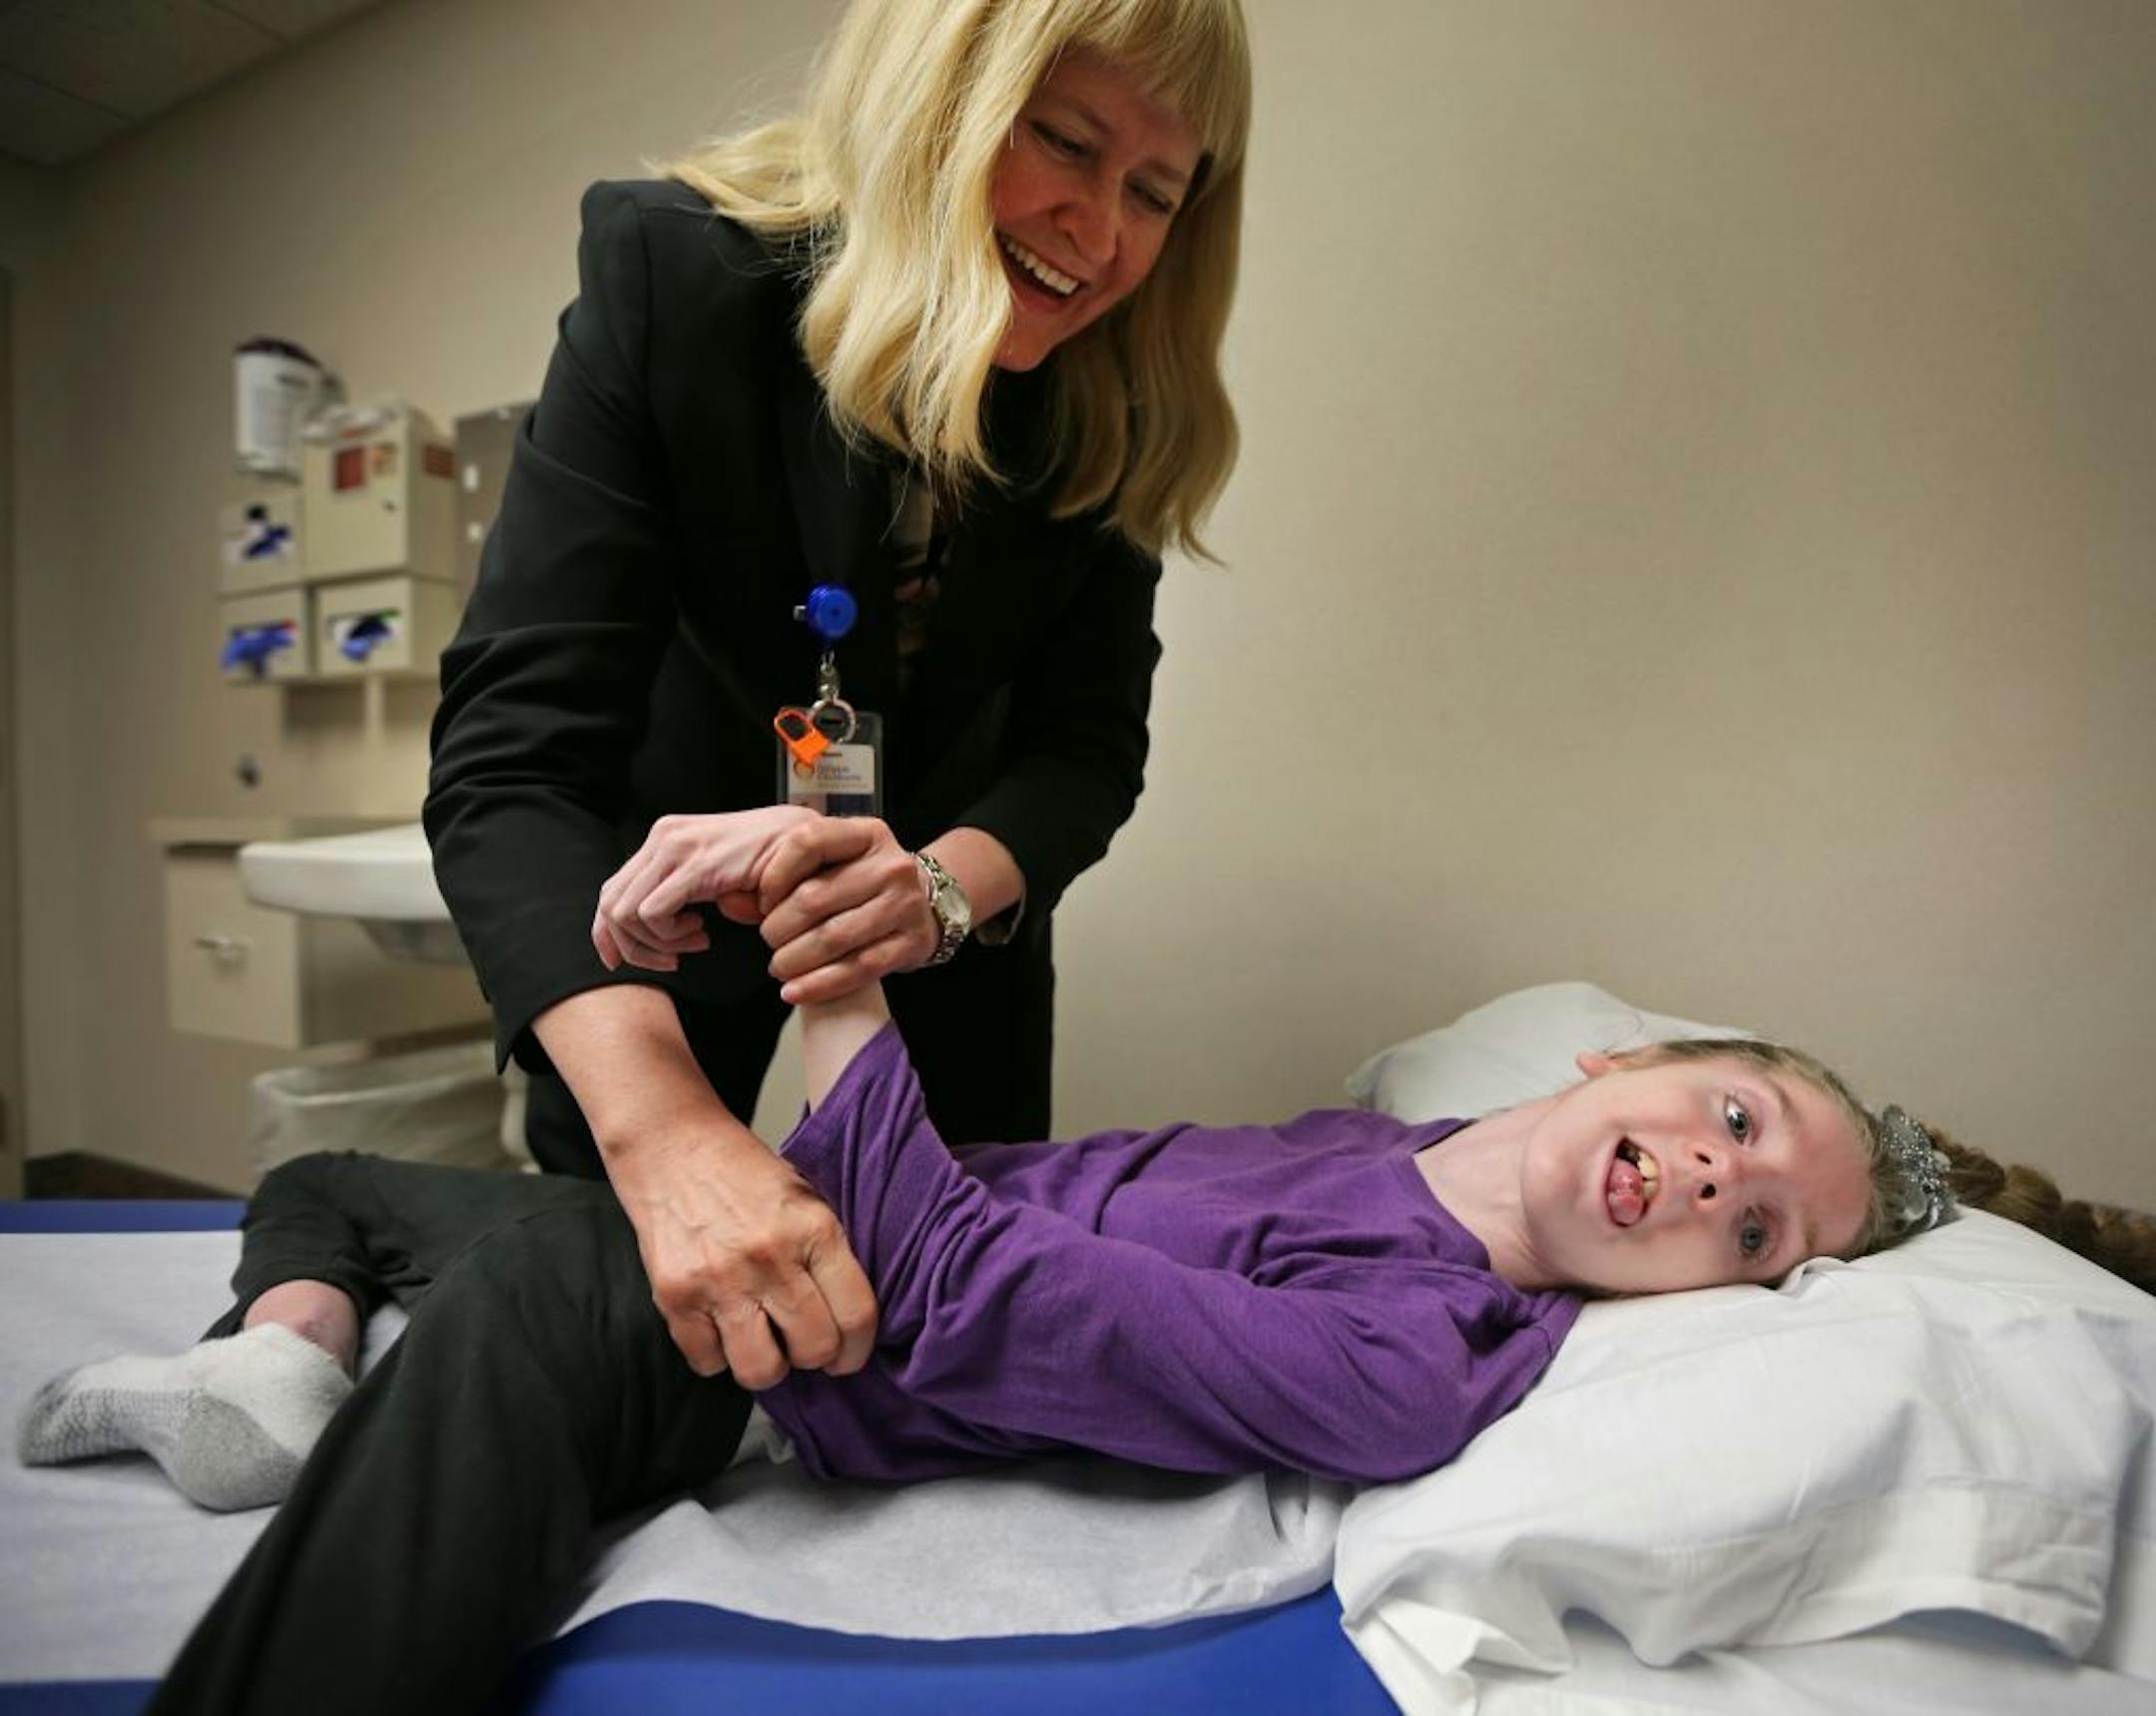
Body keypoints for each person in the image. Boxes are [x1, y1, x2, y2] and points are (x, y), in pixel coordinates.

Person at [25, 808, 2150, 1716]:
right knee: (335, 1197)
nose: (1709, 1175)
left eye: (1759, 1225)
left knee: (526, 1284)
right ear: (1635, 1058)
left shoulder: (1421, 1356)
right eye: (1736, 1117)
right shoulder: (1378, 1134)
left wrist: (825, 937)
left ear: (1725, 1284)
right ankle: (281, 1350)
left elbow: (943, 1278)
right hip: (764, 1217)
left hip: (781, 1327)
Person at [422, 0, 1253, 1390]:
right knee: (605, 1315)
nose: (1101, 234)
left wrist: (932, 894)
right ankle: (323, 1244)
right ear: (941, 92)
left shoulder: (1119, 400)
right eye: (1063, 138)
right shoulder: (677, 282)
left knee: (956, 1325)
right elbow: (510, 764)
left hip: (939, 916)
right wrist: (667, 1138)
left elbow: (1084, 750)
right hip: (659, 906)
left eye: (1155, 193)